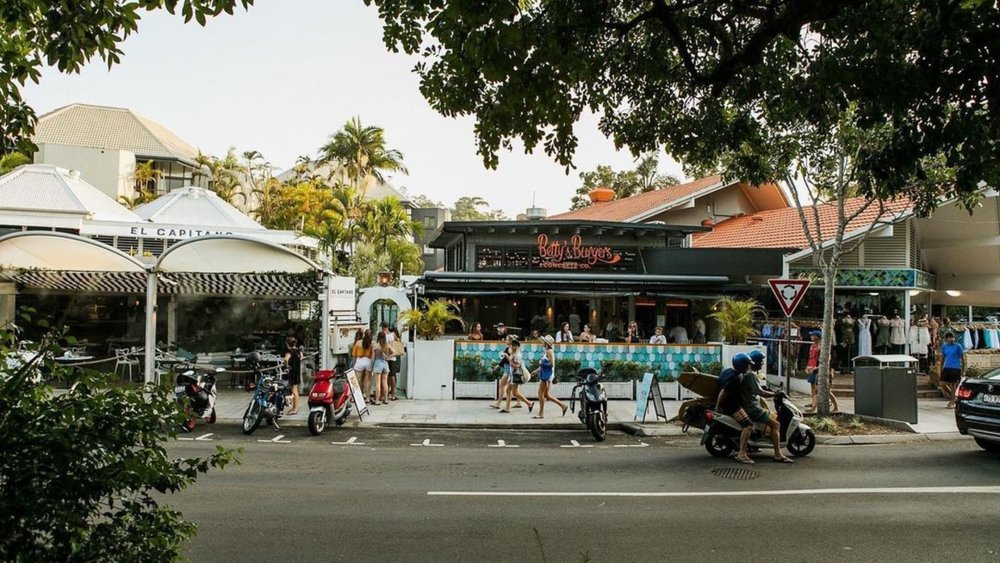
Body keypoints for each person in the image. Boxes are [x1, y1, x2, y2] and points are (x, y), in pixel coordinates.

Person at [745, 350, 795, 463]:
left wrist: (770, 391)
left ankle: (755, 443)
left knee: (772, 415)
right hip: (752, 408)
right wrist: (775, 394)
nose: (762, 364)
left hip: (751, 405)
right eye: (761, 361)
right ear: (755, 362)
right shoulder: (751, 375)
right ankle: (778, 454)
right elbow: (760, 392)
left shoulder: (750, 374)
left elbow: (759, 389)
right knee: (776, 424)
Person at [716, 353, 755, 465]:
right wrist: (718, 407)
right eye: (747, 365)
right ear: (742, 366)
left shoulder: (728, 371)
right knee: (748, 425)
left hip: (733, 404)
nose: (749, 367)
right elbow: (723, 392)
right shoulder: (734, 378)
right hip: (732, 406)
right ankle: (741, 454)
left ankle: (748, 446)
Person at [531, 335, 568, 418]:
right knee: (546, 395)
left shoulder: (549, 351)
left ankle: (541, 413)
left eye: (544, 342)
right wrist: (537, 371)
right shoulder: (547, 351)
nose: (542, 343)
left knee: (540, 394)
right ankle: (563, 406)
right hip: (546, 373)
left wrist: (541, 365)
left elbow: (552, 364)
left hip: (547, 375)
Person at [490, 335, 528, 410]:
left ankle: (499, 403)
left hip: (509, 369)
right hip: (509, 369)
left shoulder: (510, 349)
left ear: (510, 341)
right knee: (512, 389)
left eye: (507, 339)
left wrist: (498, 365)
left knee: (503, 386)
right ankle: (518, 402)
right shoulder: (511, 349)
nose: (505, 341)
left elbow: (508, 360)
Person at [501, 338, 534, 413]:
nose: (511, 347)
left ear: (516, 346)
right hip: (512, 375)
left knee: (515, 393)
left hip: (516, 375)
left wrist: (511, 363)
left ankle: (529, 403)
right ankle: (507, 408)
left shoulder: (518, 355)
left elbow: (517, 366)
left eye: (512, 345)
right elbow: (510, 359)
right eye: (511, 345)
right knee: (508, 390)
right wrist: (506, 355)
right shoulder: (514, 353)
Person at [938, 331, 966, 408]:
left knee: (953, 385)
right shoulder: (945, 346)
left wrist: (963, 370)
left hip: (955, 367)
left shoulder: (958, 346)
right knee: (942, 384)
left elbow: (963, 359)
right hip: (947, 367)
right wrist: (941, 369)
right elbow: (943, 358)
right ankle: (953, 397)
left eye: (952, 337)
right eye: (950, 338)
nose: (952, 339)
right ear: (946, 339)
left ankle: (952, 402)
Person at [352, 329, 374, 404]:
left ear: (364, 334)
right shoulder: (372, 343)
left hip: (359, 361)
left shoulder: (358, 342)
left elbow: (354, 354)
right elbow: (373, 354)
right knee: (367, 381)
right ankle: (367, 398)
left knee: (358, 380)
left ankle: (357, 397)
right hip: (368, 361)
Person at [283, 335, 302, 415]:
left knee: (294, 391)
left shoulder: (289, 351)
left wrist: (287, 365)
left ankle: (295, 409)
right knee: (295, 390)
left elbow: (286, 359)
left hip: (292, 372)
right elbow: (301, 357)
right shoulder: (297, 350)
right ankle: (294, 407)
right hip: (297, 371)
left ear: (287, 344)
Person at [372, 331, 391, 405]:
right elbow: (395, 352)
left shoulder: (375, 345)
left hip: (377, 364)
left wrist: (372, 366)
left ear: (378, 337)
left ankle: (377, 400)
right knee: (385, 382)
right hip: (385, 364)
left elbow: (373, 358)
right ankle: (385, 399)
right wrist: (388, 357)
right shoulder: (387, 345)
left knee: (377, 383)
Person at [805, 331, 822, 411]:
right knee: (812, 386)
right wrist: (807, 367)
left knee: (816, 389)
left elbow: (822, 360)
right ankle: (813, 402)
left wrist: (816, 368)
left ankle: (814, 407)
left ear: (817, 337)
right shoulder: (812, 346)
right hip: (811, 367)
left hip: (816, 369)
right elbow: (810, 358)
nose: (811, 336)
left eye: (813, 335)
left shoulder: (820, 346)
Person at [387, 326, 403, 400]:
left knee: (391, 375)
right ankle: (392, 392)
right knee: (393, 375)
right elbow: (400, 350)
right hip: (396, 357)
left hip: (391, 357)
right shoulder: (397, 338)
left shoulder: (392, 336)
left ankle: (391, 392)